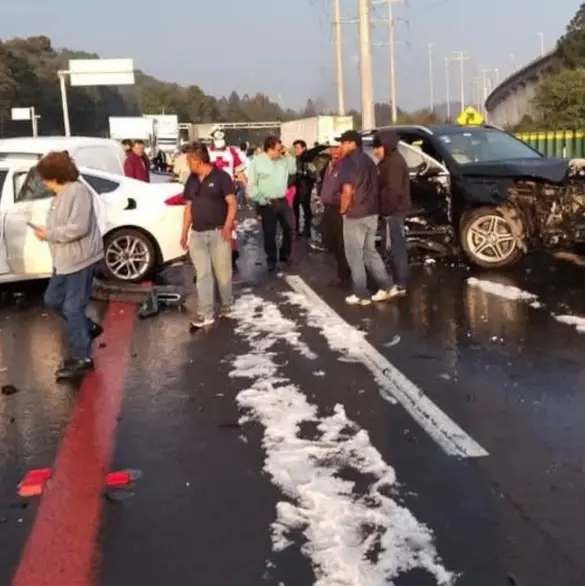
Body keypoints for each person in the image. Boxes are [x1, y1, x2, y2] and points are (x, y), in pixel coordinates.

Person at [32, 152, 104, 380]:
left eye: (46, 177)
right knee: (52, 299)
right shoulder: (59, 195)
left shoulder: (77, 191)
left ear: (56, 175)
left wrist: (50, 234)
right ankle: (87, 328)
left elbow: (79, 227)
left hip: (80, 260)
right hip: (64, 261)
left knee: (73, 307)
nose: (44, 182)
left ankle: (83, 357)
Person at [180, 142, 237, 329]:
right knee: (203, 274)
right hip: (197, 234)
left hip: (218, 232)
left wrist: (228, 226)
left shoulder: (221, 177)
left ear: (197, 160)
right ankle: (206, 313)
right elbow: (188, 208)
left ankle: (226, 305)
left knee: (223, 273)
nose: (187, 164)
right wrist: (184, 232)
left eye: (189, 160)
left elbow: (232, 203)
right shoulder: (192, 179)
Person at [338, 130, 393, 305]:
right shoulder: (368, 161)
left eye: (343, 143)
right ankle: (386, 285)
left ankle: (361, 293)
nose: (341, 147)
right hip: (371, 212)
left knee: (355, 254)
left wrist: (343, 210)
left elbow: (348, 191)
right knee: (370, 251)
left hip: (355, 214)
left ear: (352, 143)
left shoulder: (348, 162)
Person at [247, 135, 296, 271]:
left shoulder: (284, 160)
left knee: (289, 228)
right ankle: (272, 259)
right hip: (267, 202)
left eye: (280, 150)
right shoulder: (257, 162)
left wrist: (287, 155)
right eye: (277, 150)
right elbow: (252, 185)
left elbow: (293, 170)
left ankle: (285, 255)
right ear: (268, 149)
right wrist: (261, 199)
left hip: (282, 200)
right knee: (270, 232)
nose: (279, 152)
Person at [373, 131, 410, 296]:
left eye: (378, 147)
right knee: (392, 247)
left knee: (396, 247)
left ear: (386, 145)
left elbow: (393, 190)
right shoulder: (387, 161)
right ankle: (397, 281)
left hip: (393, 212)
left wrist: (386, 211)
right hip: (391, 211)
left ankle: (400, 283)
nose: (375, 151)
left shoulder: (393, 163)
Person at [318, 138, 351, 287]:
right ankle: (342, 271)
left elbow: (348, 190)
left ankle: (344, 275)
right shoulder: (329, 164)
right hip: (328, 208)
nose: (334, 151)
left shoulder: (345, 164)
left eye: (337, 147)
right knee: (329, 240)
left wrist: (343, 208)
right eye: (331, 147)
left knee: (341, 243)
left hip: (340, 208)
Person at [293, 139, 316, 238]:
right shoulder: (297, 158)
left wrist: (304, 173)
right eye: (295, 148)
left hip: (305, 185)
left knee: (305, 207)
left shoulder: (308, 158)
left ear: (304, 148)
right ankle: (297, 229)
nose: (296, 150)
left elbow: (313, 173)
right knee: (295, 207)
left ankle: (307, 230)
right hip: (298, 185)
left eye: (298, 148)